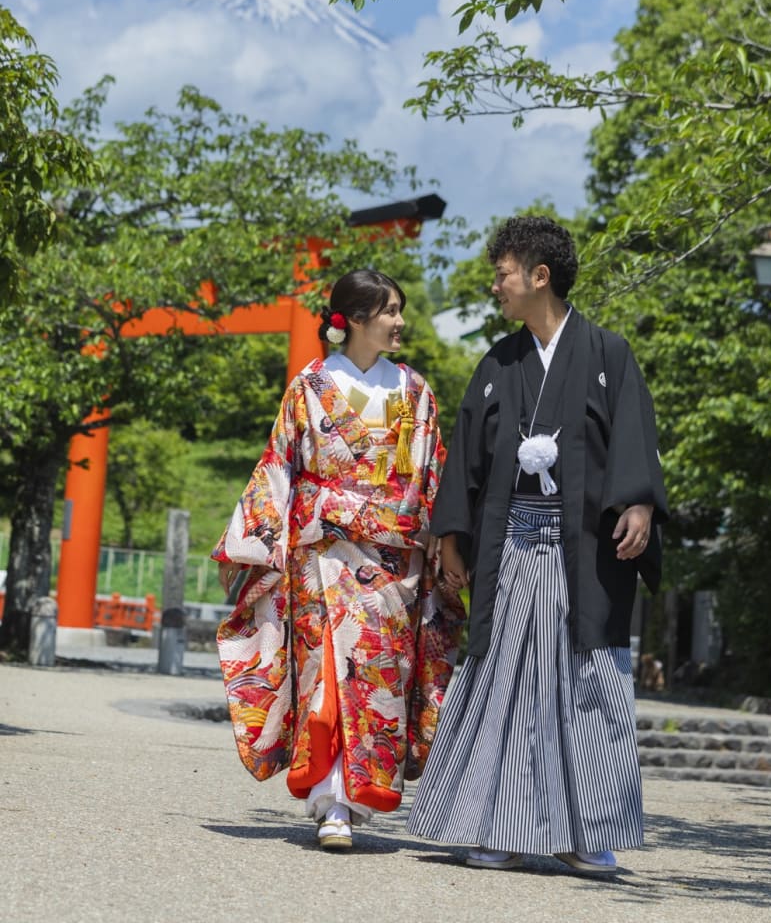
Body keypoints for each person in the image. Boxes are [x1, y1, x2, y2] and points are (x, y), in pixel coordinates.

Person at [405, 216, 667, 874]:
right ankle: (490, 825)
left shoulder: (609, 354)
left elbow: (634, 437)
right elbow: (468, 454)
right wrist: (453, 539)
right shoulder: (498, 363)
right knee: (502, 679)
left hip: (584, 551)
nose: (496, 285)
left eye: (502, 273)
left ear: (538, 276)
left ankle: (584, 831)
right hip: (512, 547)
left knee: (585, 681)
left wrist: (638, 500)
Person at [213, 269, 465, 852]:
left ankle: (356, 794)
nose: (401, 322)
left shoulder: (415, 391)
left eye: (400, 311)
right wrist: (256, 542)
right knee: (325, 672)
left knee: (378, 677)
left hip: (389, 561)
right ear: (353, 318)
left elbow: (431, 479)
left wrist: (446, 545)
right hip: (322, 555)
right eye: (391, 311)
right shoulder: (309, 384)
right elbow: (280, 465)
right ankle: (331, 800)